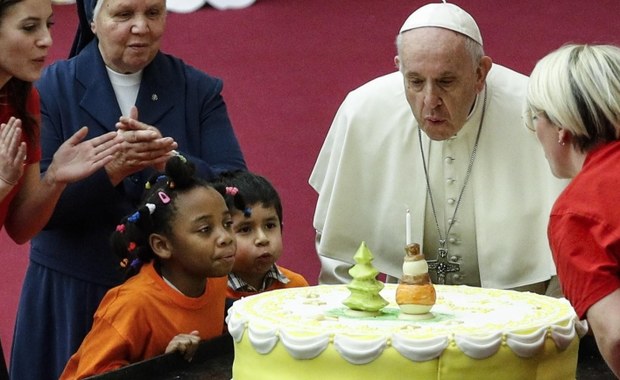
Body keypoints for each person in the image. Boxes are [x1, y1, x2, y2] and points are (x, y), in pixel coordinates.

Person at [10, 0, 247, 378]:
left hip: (171, 300)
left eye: (153, 13)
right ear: (92, 19)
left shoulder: (197, 88)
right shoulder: (50, 89)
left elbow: (239, 192)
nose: (142, 27)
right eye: (124, 15)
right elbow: (37, 216)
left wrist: (169, 162)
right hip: (71, 294)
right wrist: (110, 173)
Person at [309, 2, 566, 293]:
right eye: (415, 81)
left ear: (480, 73)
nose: (430, 101)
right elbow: (338, 244)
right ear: (399, 68)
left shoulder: (537, 114)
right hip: (404, 316)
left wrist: (551, 326)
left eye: (446, 82)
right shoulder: (362, 111)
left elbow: (570, 243)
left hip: (519, 313)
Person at [0, 0, 121, 377]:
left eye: (49, 25)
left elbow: (21, 228)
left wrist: (55, 180)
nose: (47, 40)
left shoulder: (24, 100)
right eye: (29, 28)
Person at [60, 155, 237, 378]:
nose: (226, 237)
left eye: (228, 224)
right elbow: (91, 376)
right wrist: (162, 365)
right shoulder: (131, 305)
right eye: (205, 230)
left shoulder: (217, 279)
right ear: (162, 245)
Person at [525, 43, 620, 378]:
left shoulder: (577, 212)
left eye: (534, 117)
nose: (533, 129)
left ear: (561, 127)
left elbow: (617, 335)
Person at [216, 170, 308, 310]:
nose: (262, 239)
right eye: (245, 229)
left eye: (270, 226)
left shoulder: (296, 288)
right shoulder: (211, 294)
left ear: (281, 230)